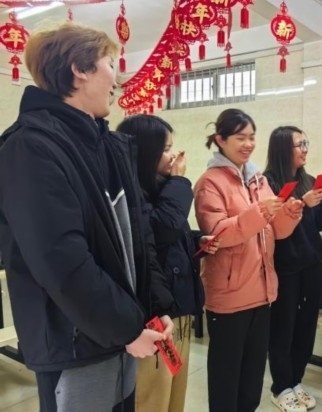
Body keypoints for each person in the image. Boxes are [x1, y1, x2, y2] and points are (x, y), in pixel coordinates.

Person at [0, 23, 173, 412]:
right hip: (76, 342)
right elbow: (60, 260)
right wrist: (126, 327)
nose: (117, 79)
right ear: (79, 69)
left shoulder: (108, 145)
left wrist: (154, 304)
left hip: (119, 333)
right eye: (111, 64)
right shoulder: (30, 148)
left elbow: (138, 235)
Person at [194, 108, 303, 412]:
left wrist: (289, 214)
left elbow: (276, 231)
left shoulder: (257, 179)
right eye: (240, 137)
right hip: (230, 296)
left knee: (252, 379)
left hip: (262, 291)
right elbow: (218, 234)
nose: (248, 144)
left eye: (252, 137)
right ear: (221, 140)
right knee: (226, 380)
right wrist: (261, 212)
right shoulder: (210, 182)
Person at [116, 114, 218, 412]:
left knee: (175, 393)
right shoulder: (133, 192)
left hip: (179, 308)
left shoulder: (162, 187)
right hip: (155, 315)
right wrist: (179, 180)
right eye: (165, 149)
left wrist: (197, 240)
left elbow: (172, 234)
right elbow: (162, 228)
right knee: (152, 398)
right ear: (145, 152)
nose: (173, 155)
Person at [264, 126, 322, 411]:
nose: (305, 149)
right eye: (299, 144)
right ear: (283, 148)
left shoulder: (309, 180)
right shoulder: (269, 183)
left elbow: (320, 223)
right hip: (285, 267)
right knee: (283, 327)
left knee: (306, 325)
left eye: (306, 143)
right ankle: (280, 387)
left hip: (311, 264)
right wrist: (302, 205)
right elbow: (274, 228)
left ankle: (296, 381)